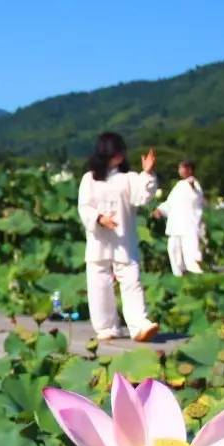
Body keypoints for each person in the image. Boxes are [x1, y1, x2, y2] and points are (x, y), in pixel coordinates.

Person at [76, 133, 159, 342]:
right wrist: (98, 218)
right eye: (116, 153)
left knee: (132, 280)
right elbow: (84, 206)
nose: (120, 156)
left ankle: (139, 324)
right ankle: (106, 327)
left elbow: (143, 196)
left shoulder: (130, 178)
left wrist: (147, 173)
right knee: (99, 283)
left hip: (123, 239)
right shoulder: (89, 179)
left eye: (121, 152)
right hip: (99, 240)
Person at [156, 159, 205, 276]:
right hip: (176, 225)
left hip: (188, 225)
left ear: (189, 170)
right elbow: (170, 202)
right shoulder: (179, 185)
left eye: (181, 168)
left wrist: (192, 185)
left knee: (190, 252)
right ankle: (178, 275)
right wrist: (159, 210)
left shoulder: (193, 183)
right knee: (173, 249)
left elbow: (196, 197)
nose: (179, 170)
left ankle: (196, 277)